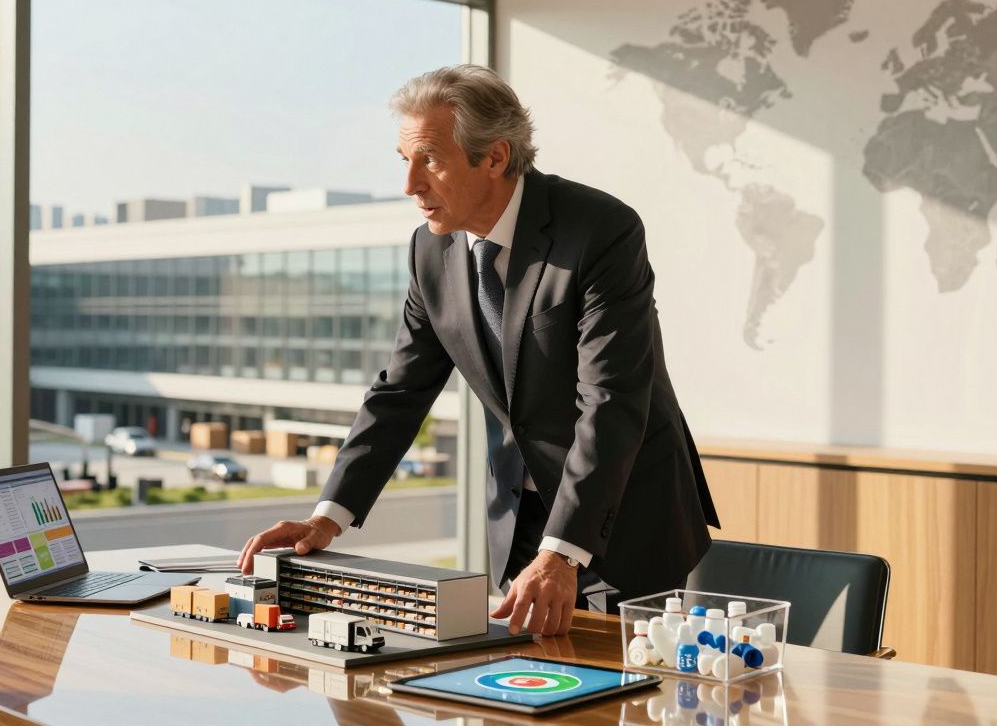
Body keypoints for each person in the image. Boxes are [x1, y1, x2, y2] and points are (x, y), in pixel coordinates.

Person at [236, 65, 719, 637]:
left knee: (630, 698)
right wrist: (327, 518)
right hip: (518, 519)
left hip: (625, 512)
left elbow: (610, 401)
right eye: (404, 160)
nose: (410, 184)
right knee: (521, 688)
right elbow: (400, 392)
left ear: (494, 157)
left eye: (430, 160)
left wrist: (562, 554)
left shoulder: (600, 230)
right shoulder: (430, 250)